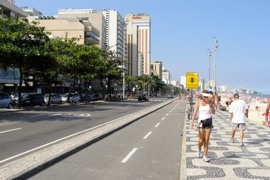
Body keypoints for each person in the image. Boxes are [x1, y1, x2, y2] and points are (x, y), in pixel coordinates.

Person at [191, 90, 215, 162]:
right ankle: (198, 150)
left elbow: (213, 112)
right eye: (205, 96)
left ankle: (205, 155)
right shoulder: (198, 102)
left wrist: (210, 105)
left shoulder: (210, 103)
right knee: (201, 140)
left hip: (208, 121)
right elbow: (195, 112)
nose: (206, 98)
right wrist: (192, 121)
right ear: (202, 96)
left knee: (206, 140)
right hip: (201, 122)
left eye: (207, 96)